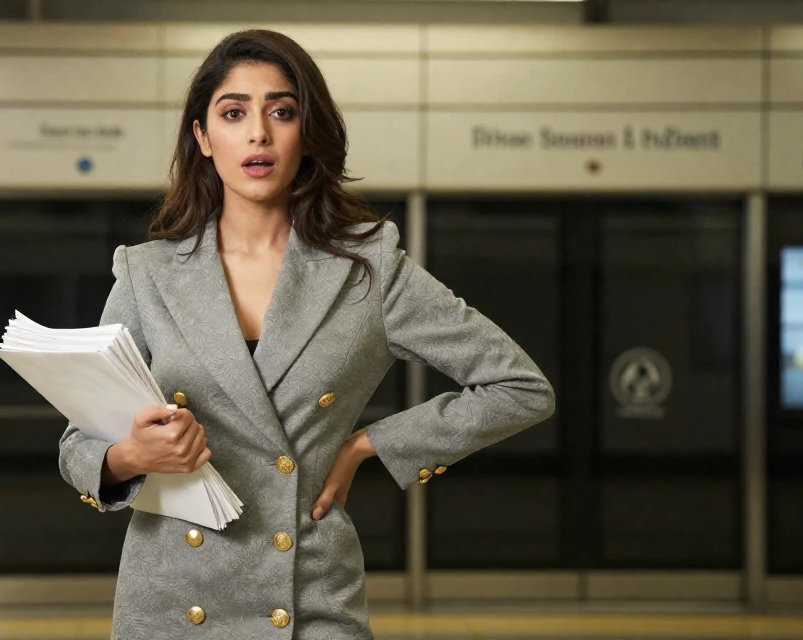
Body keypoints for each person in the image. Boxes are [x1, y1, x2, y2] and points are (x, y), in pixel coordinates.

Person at [58, 29, 555, 639]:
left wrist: (369, 445)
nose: (258, 133)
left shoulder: (368, 268)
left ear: (307, 133)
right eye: (234, 113)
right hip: (170, 603)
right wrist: (131, 456)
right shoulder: (147, 273)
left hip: (309, 597)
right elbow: (79, 442)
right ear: (203, 137)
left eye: (282, 111)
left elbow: (520, 387)